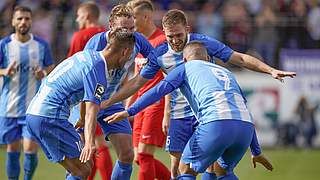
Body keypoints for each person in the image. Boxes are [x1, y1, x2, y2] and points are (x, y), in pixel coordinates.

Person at [101, 9, 296, 180]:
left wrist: (270, 70)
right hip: (180, 115)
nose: (175, 41)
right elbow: (137, 83)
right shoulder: (159, 53)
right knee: (177, 170)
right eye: (170, 37)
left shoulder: (202, 44)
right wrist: (109, 101)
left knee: (209, 168)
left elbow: (240, 58)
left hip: (207, 116)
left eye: (179, 35)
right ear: (164, 33)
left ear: (187, 28)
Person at [25, 28, 136, 180]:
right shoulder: (98, 71)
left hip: (37, 113)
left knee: (83, 167)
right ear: (124, 52)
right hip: (50, 117)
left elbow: (84, 99)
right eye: (130, 56)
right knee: (82, 170)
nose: (128, 62)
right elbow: (92, 108)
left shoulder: (88, 55)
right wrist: (89, 142)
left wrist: (82, 120)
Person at [84, 4, 154, 179]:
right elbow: (83, 80)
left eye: (132, 28)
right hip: (85, 101)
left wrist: (150, 65)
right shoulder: (96, 43)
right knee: (82, 162)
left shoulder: (137, 40)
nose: (129, 33)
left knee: (127, 155)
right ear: (111, 25)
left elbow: (157, 61)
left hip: (110, 103)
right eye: (124, 29)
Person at [0, 6, 54, 180]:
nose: (23, 22)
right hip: (9, 106)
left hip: (33, 107)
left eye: (27, 19)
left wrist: (43, 73)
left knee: (30, 149)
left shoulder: (41, 44)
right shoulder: (4, 45)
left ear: (31, 21)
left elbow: (50, 67)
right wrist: (4, 72)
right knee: (13, 149)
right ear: (13, 21)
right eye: (20, 18)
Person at [66, 2, 112, 180]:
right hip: (105, 90)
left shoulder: (80, 36)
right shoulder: (106, 34)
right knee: (92, 141)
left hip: (85, 94)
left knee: (95, 142)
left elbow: (72, 65)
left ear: (86, 16)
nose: (77, 19)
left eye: (78, 16)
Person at [126, 1, 170, 179]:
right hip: (140, 106)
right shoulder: (140, 43)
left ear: (146, 17)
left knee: (144, 155)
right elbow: (138, 78)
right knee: (138, 157)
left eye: (133, 18)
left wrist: (167, 111)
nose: (131, 23)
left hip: (155, 104)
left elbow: (170, 80)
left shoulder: (162, 42)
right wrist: (128, 107)